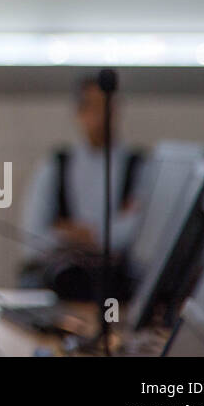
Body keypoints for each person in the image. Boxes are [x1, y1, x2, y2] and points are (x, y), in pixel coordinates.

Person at [18, 72, 148, 300]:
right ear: (79, 112)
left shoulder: (138, 167)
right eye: (94, 107)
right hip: (63, 279)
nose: (103, 116)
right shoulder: (56, 165)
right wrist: (68, 239)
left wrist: (84, 234)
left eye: (108, 107)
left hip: (115, 283)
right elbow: (32, 238)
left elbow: (138, 234)